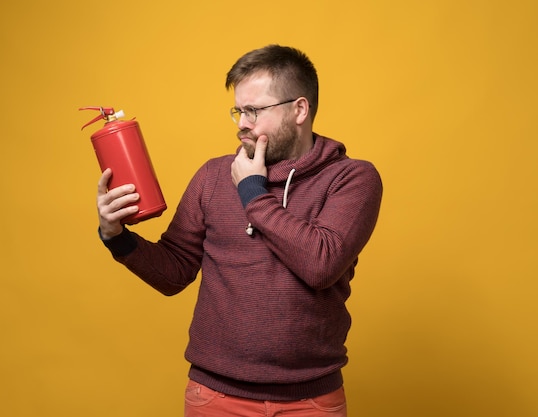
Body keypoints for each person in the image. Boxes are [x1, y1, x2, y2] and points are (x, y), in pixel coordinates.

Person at [96, 45, 382, 417]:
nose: (241, 123)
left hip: (310, 402)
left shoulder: (352, 178)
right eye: (238, 110)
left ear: (299, 109)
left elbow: (321, 264)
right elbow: (174, 272)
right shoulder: (214, 176)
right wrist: (116, 236)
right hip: (216, 397)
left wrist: (252, 192)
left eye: (254, 110)